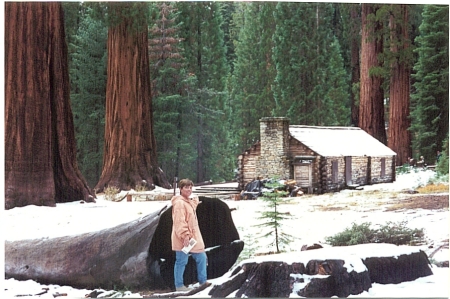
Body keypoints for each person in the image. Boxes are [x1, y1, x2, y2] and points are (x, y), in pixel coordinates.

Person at [171, 179, 207, 292]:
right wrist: (185, 235)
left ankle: (203, 282)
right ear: (181, 189)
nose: (189, 190)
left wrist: (195, 201)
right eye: (186, 187)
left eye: (191, 187)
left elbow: (191, 208)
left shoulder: (187, 202)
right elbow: (179, 221)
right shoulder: (179, 203)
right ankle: (179, 286)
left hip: (193, 237)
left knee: (201, 257)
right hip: (183, 238)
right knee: (181, 261)